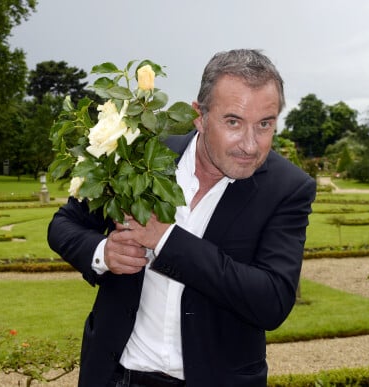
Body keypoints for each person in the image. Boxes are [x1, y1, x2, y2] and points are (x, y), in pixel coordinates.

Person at [47, 49, 316, 387]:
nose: (250, 145)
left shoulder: (289, 188)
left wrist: (166, 239)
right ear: (199, 116)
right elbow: (62, 225)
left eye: (265, 124)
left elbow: (272, 301)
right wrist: (102, 252)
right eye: (233, 121)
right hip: (116, 376)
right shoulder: (139, 154)